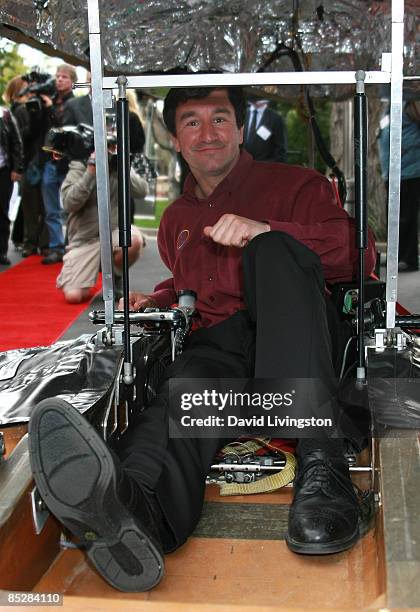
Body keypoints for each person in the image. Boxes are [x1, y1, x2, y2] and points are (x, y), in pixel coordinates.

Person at [29, 86, 376, 592]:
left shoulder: (297, 184)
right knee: (181, 390)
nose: (208, 133)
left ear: (240, 128)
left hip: (298, 338)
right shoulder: (176, 220)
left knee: (272, 251)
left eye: (220, 119)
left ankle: (322, 467)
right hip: (224, 352)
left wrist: (267, 230)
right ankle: (139, 509)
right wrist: (161, 296)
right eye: (192, 122)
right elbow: (192, 284)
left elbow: (358, 256)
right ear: (174, 138)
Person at [57, 145, 147, 303]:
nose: (109, 151)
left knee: (134, 241)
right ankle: (94, 268)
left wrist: (123, 168)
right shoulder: (79, 166)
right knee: (73, 297)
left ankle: (115, 277)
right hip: (85, 239)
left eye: (112, 147)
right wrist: (90, 172)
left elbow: (141, 191)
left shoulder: (119, 166)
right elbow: (69, 203)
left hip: (113, 233)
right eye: (106, 147)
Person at [3, 76, 49, 258]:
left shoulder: (35, 107)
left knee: (39, 205)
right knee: (30, 205)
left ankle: (34, 241)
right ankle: (31, 241)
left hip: (38, 160)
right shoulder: (17, 110)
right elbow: (22, 138)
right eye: (27, 88)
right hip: (29, 161)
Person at [37, 64, 76, 265]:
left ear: (72, 81)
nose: (59, 79)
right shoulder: (48, 99)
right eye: (57, 76)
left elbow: (65, 128)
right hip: (49, 162)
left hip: (67, 162)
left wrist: (51, 108)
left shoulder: (74, 103)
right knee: (51, 208)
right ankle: (55, 247)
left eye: (64, 77)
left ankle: (71, 247)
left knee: (69, 207)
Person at [378, 91, 420, 271]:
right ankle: (398, 255)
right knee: (394, 217)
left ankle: (408, 258)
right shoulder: (389, 106)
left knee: (406, 216)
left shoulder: (412, 103)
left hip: (410, 171)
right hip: (392, 171)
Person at [0, 83, 24, 265]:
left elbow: (16, 143)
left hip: (3, 170)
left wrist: (17, 168)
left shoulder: (5, 115)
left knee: (2, 211)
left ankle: (1, 251)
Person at [243, 96, 287, 162]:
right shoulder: (242, 114)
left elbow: (280, 150)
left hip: (265, 167)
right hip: (243, 166)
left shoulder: (275, 118)